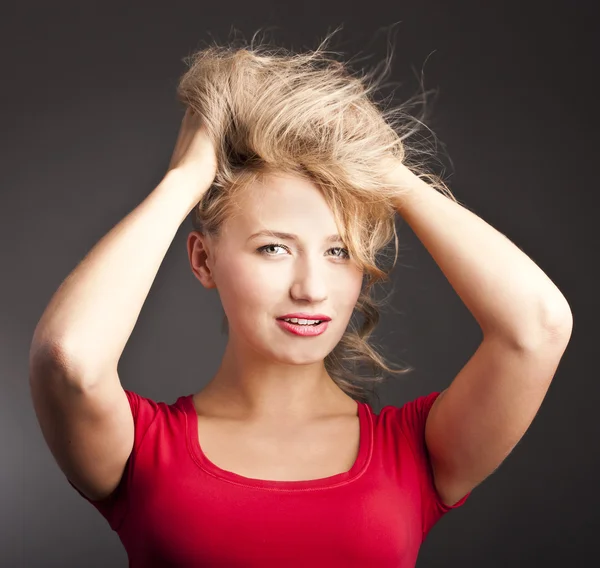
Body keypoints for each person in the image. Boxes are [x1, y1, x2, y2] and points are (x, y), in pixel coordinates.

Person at [28, 30, 572, 568]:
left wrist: (387, 174)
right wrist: (185, 178)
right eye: (273, 248)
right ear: (203, 260)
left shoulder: (415, 452)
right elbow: (69, 358)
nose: (311, 288)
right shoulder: (140, 449)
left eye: (339, 252)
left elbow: (538, 328)